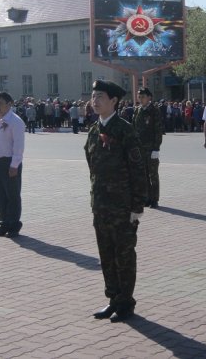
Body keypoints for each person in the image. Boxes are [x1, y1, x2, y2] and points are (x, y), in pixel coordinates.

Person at [84, 80, 147, 322]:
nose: (95, 100)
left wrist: (136, 207)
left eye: (100, 96)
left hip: (123, 208)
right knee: (106, 254)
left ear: (114, 101)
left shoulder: (125, 130)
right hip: (100, 206)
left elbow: (137, 170)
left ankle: (125, 303)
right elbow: (92, 168)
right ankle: (112, 298)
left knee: (124, 255)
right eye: (93, 95)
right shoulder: (93, 131)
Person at [0, 91, 25, 238]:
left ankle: (14, 224)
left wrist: (15, 165)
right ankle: (4, 223)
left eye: (0, 103)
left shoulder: (15, 121)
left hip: (9, 163)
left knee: (12, 195)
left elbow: (18, 145)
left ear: (9, 104)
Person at [132, 87, 163, 208]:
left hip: (151, 148)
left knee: (153, 175)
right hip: (139, 148)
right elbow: (133, 129)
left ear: (149, 97)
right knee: (143, 174)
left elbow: (158, 130)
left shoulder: (154, 110)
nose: (140, 99)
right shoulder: (137, 110)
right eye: (139, 97)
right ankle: (147, 198)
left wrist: (156, 148)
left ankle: (154, 199)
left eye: (143, 97)